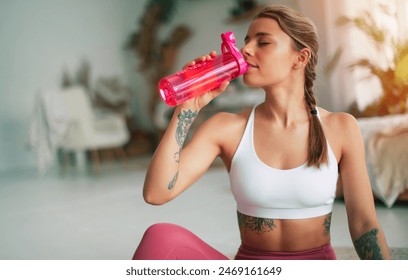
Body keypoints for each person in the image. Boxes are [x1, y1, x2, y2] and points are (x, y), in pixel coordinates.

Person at [132, 4, 391, 260]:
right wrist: (187, 107)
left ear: (300, 58)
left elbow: (364, 224)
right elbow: (156, 193)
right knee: (160, 237)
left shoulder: (340, 127)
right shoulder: (228, 128)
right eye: (246, 41)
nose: (245, 49)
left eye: (263, 42)